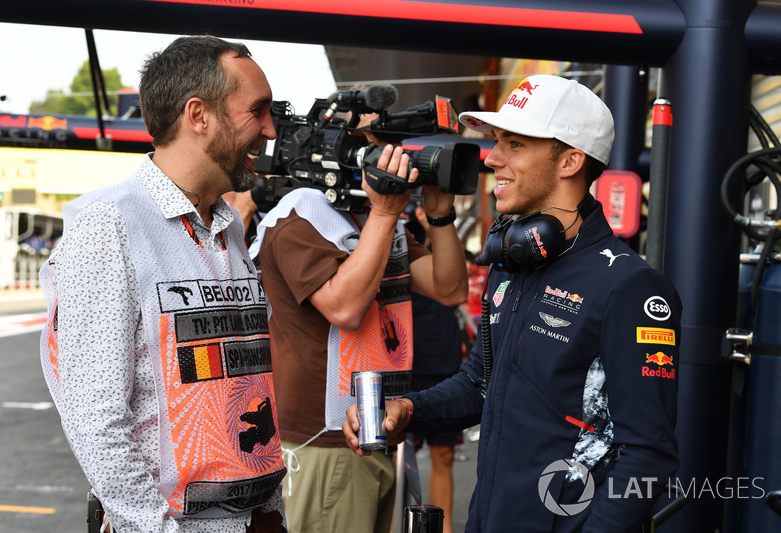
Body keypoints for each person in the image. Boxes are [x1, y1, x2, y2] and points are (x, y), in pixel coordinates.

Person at [344, 74, 682, 532]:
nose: (494, 159)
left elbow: (648, 454)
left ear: (570, 160)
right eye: (497, 142)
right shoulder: (514, 265)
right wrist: (410, 409)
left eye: (515, 145)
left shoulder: (631, 287)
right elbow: (480, 383)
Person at [39, 35, 288, 533]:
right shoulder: (108, 224)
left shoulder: (228, 227)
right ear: (198, 115)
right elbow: (96, 420)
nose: (270, 129)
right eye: (257, 111)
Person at [249, 103, 469, 531]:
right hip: (323, 441)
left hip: (375, 430)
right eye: (373, 145)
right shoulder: (301, 213)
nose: (391, 159)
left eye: (393, 146)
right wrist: (386, 214)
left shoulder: (370, 218)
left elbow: (448, 288)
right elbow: (344, 308)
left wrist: (440, 215)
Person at [405, 205, 464, 533]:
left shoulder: (447, 252)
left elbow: (456, 288)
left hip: (445, 365)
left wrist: (441, 219)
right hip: (407, 369)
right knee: (401, 462)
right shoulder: (398, 244)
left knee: (444, 456)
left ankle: (446, 529)